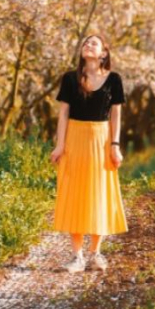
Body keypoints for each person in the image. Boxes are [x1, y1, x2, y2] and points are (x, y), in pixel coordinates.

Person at [49, 32, 128, 272]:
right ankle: (77, 256)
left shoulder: (114, 79)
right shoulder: (70, 79)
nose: (87, 45)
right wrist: (60, 144)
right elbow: (63, 113)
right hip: (75, 138)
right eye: (85, 42)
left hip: (101, 140)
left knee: (99, 193)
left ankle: (95, 253)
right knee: (75, 193)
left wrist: (115, 145)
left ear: (103, 52)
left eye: (93, 43)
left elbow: (116, 114)